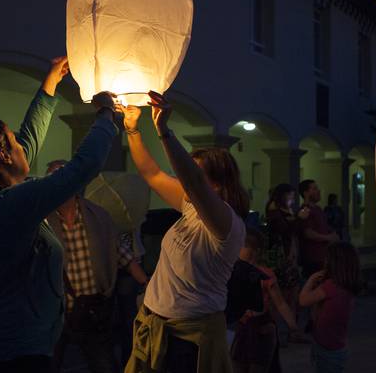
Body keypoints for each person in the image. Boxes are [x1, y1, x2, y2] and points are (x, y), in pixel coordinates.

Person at [0, 57, 118, 373]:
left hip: (2, 345)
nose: (21, 143)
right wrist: (106, 114)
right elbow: (84, 166)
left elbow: (28, 141)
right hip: (12, 355)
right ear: (3, 156)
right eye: (12, 140)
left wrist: (51, 83)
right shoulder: (11, 204)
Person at [119, 92, 248, 373]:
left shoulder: (227, 223)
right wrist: (132, 128)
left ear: (216, 184)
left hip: (190, 340)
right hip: (155, 325)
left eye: (193, 172)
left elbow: (194, 184)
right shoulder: (190, 206)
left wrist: (164, 130)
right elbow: (151, 173)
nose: (183, 178)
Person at [45, 160, 149, 373]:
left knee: (104, 364)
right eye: (54, 178)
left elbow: (120, 251)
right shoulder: (43, 221)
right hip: (56, 312)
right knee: (49, 364)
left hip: (93, 309)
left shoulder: (97, 215)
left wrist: (147, 283)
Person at [231, 228, 300, 373]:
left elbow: (280, 303)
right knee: (238, 365)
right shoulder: (233, 271)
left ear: (255, 251)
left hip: (261, 328)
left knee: (258, 366)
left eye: (242, 246)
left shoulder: (264, 275)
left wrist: (292, 325)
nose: (238, 250)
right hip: (243, 328)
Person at [299, 242, 360, 373]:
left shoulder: (330, 287)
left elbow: (303, 300)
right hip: (336, 345)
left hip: (326, 348)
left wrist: (311, 280)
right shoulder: (347, 287)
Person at [265, 183, 306, 344]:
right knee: (281, 298)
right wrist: (299, 219)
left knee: (292, 296)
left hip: (291, 259)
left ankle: (291, 330)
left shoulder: (286, 212)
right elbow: (286, 230)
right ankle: (278, 333)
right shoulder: (275, 213)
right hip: (282, 260)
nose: (292, 199)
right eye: (289, 195)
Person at [298, 180, 339, 278]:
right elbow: (308, 233)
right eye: (314, 188)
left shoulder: (318, 209)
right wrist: (328, 237)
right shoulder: (305, 210)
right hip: (313, 259)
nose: (318, 191)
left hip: (322, 257)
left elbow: (323, 227)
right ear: (306, 193)